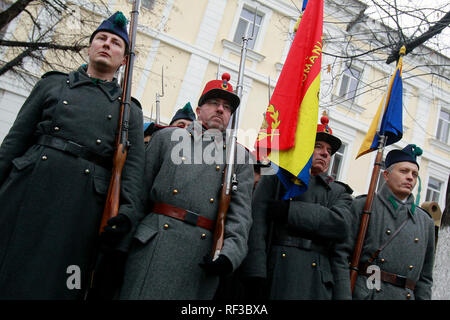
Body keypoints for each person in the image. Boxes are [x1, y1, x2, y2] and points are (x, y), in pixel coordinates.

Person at [0, 11, 144, 299]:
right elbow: (15, 141)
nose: (106, 44)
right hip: (27, 187)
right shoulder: (52, 84)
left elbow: (132, 171)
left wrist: (126, 214)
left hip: (81, 208)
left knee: (61, 284)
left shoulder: (131, 110)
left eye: (116, 43)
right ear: (89, 47)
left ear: (124, 60)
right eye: (101, 38)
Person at [118, 73, 254, 300]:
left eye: (227, 107)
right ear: (199, 110)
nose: (220, 109)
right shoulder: (167, 138)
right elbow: (138, 193)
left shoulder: (238, 158)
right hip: (154, 243)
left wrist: (228, 255)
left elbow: (240, 218)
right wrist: (121, 243)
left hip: (200, 254)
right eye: (213, 103)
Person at [240, 114, 353, 300]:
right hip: (277, 271)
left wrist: (289, 211)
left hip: (317, 283)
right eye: (318, 146)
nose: (325, 153)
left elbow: (340, 225)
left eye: (329, 150)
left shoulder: (339, 192)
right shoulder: (277, 177)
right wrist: (255, 271)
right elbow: (257, 224)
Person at [337, 144, 435, 300]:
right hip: (369, 293)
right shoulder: (364, 205)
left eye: (415, 174)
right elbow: (341, 254)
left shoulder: (425, 222)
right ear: (386, 175)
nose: (410, 177)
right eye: (404, 171)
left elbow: (425, 279)